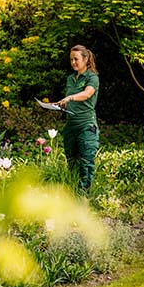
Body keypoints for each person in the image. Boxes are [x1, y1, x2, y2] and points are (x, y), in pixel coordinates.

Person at [56, 45, 99, 194]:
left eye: (76, 59)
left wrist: (70, 97)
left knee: (86, 164)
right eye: (71, 59)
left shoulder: (92, 77)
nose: (73, 62)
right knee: (72, 163)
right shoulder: (70, 79)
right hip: (70, 128)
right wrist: (60, 105)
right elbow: (71, 103)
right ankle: (73, 196)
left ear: (85, 59)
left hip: (86, 127)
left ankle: (84, 198)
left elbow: (87, 94)